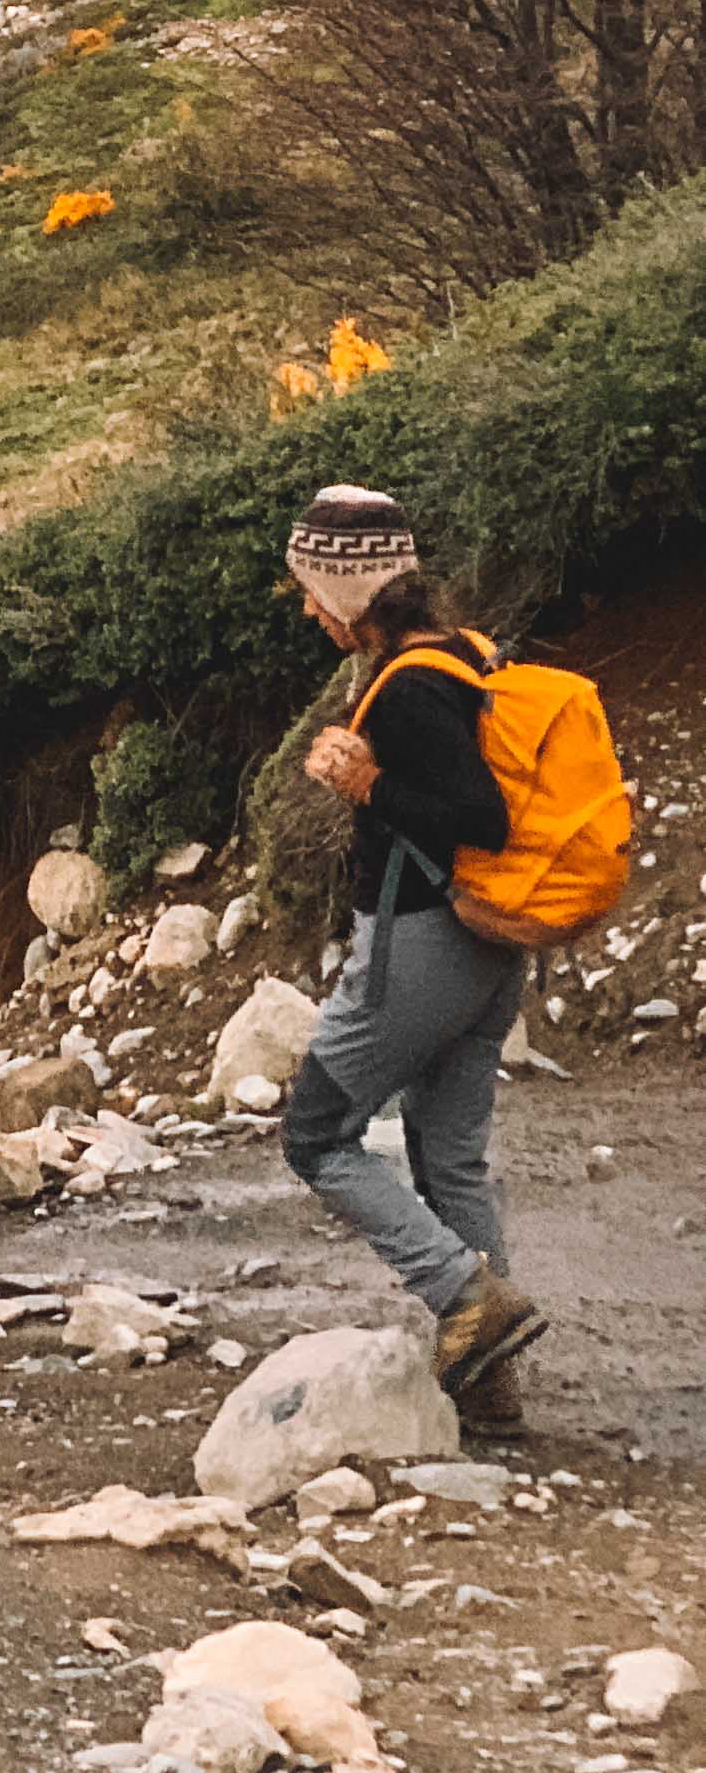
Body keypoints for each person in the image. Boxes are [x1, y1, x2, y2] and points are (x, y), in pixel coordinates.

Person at [280, 485, 549, 1431]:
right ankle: (488, 1398)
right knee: (449, 1158)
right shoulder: (463, 656)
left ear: (351, 590)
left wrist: (367, 781)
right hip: (484, 947)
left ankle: (466, 1300)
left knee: (313, 1134)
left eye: (314, 591)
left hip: (420, 942)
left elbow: (478, 817)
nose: (310, 611)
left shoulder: (411, 686)